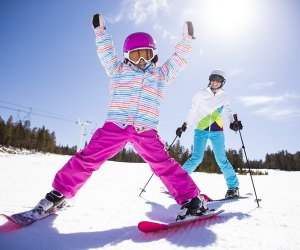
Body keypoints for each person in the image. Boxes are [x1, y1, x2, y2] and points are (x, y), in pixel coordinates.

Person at [20, 14, 211, 222]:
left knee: (163, 164)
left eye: (146, 54)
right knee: (86, 159)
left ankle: (192, 200)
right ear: (127, 56)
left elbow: (178, 61)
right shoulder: (117, 69)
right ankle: (58, 195)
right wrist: (100, 33)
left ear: (153, 55)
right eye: (136, 55)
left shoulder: (160, 75)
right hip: (114, 127)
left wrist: (187, 42)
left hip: (145, 129)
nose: (141, 60)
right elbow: (105, 53)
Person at [176, 70, 243, 198]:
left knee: (221, 159)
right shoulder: (201, 93)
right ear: (210, 80)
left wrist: (232, 124)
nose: (215, 82)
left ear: (222, 83)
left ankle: (233, 187)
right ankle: (178, 183)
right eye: (213, 79)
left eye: (218, 80)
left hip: (217, 131)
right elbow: (193, 110)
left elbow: (227, 112)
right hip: (201, 129)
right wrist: (184, 125)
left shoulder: (224, 96)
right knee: (196, 158)